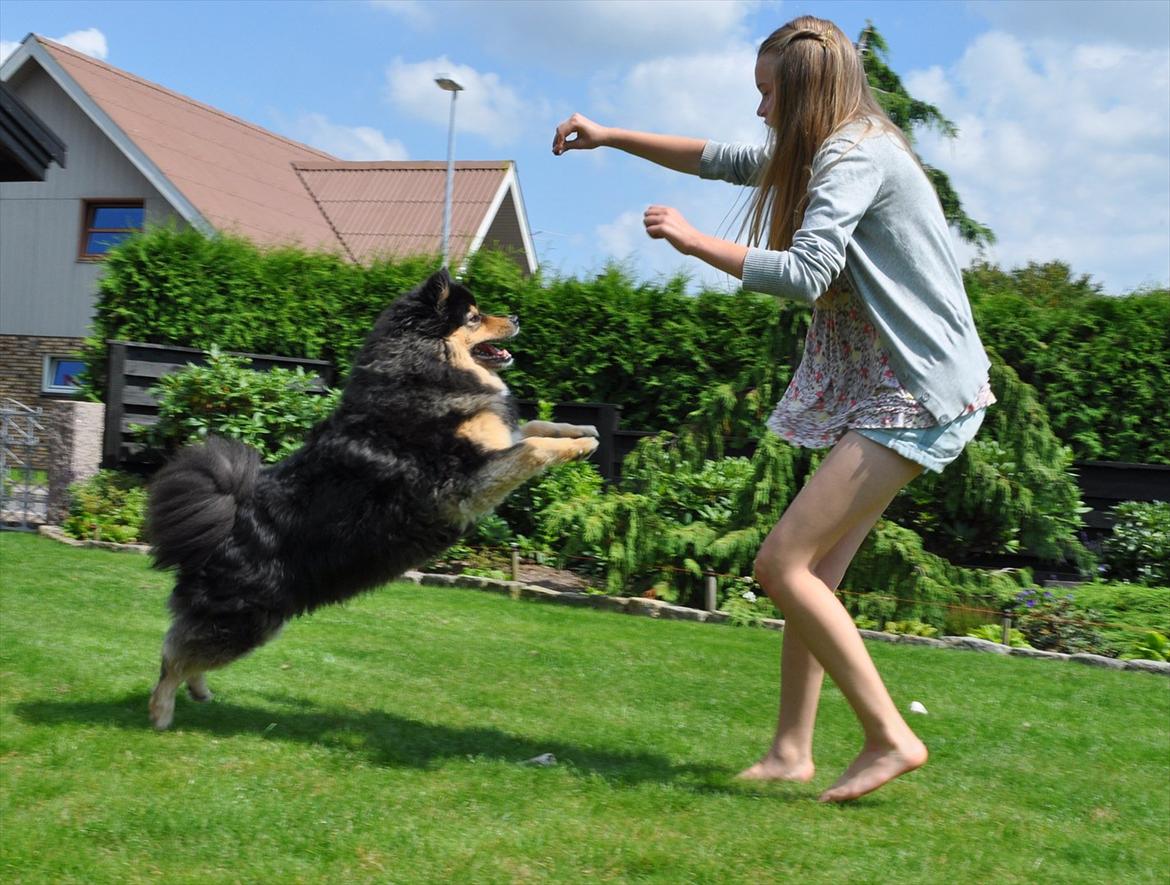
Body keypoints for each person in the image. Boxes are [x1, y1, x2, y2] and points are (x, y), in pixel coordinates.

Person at [552, 14, 995, 803]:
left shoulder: (855, 155)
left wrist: (694, 244)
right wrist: (610, 135)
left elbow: (805, 270)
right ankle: (792, 749)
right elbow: (720, 160)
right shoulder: (833, 150)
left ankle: (890, 735)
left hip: (915, 389)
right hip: (900, 384)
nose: (760, 111)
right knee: (813, 573)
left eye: (769, 95)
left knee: (780, 563)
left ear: (808, 93)